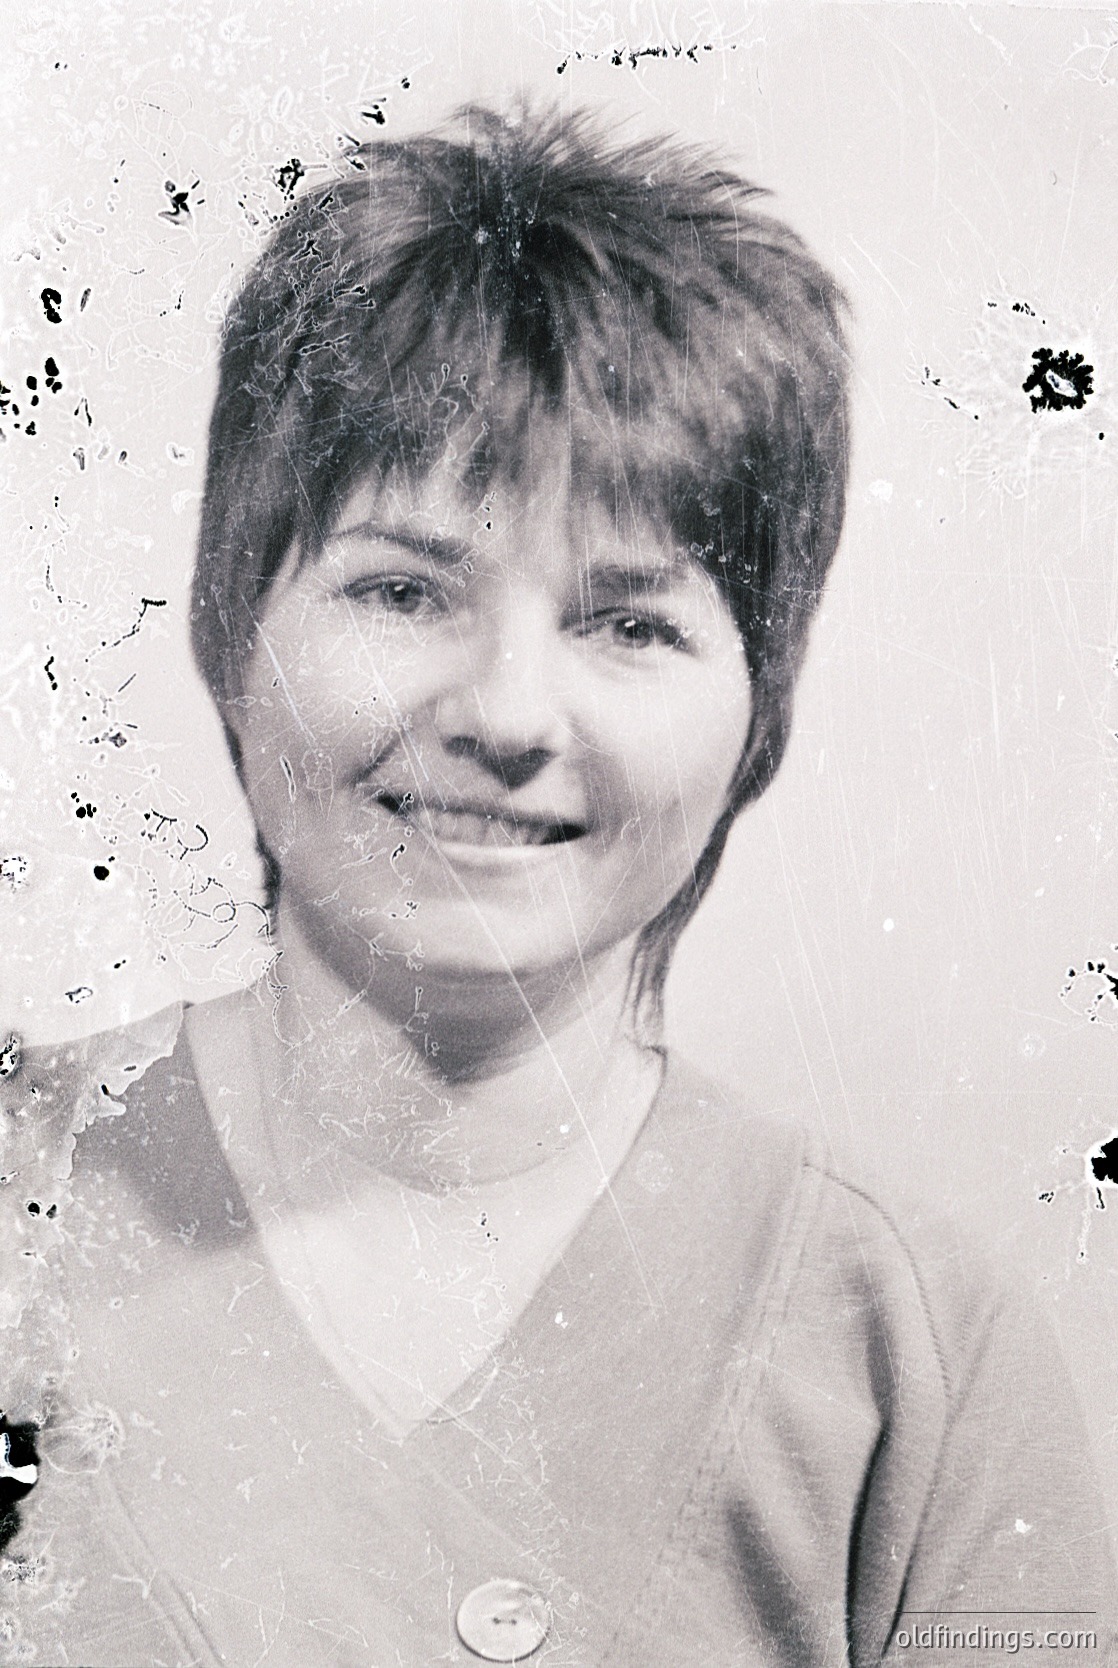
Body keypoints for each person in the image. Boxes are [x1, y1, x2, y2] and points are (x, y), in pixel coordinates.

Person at [1, 106, 1113, 1667]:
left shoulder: (915, 1350)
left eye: (631, 622)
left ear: (755, 716)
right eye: (401, 588)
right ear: (232, 631)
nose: (509, 714)